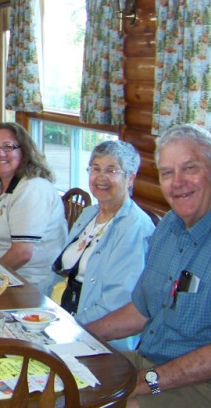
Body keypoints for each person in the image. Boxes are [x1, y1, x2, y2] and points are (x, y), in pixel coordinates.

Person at [87, 124, 211, 407]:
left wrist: (145, 382)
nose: (177, 182)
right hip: (153, 364)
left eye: (190, 168)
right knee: (63, 373)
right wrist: (78, 335)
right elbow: (141, 311)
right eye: (167, 173)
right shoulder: (170, 225)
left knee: (121, 404)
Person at [51, 140, 154, 350]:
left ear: (130, 178)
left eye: (111, 170)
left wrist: (68, 328)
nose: (101, 177)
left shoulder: (134, 227)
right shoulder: (89, 214)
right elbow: (60, 269)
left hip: (100, 337)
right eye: (95, 169)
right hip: (62, 316)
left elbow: (116, 302)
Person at [0, 122, 67, 296]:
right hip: (2, 273)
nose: (0, 153)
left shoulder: (33, 188)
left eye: (8, 147)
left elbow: (22, 253)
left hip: (30, 283)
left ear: (24, 151)